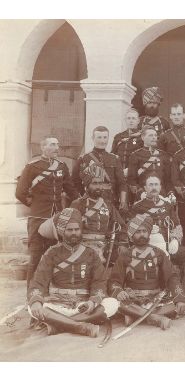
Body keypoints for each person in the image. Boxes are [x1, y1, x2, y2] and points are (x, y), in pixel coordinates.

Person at [28, 208, 118, 337]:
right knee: (32, 308)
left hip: (83, 305)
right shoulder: (51, 253)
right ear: (61, 231)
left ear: (81, 230)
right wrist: (36, 302)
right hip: (57, 304)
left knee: (112, 304)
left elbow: (99, 281)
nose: (74, 233)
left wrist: (92, 302)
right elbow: (38, 281)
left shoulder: (91, 253)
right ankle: (80, 326)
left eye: (77, 229)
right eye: (69, 230)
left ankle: (58, 324)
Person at [15, 136, 79, 286]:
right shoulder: (32, 167)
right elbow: (20, 192)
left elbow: (70, 189)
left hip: (57, 220)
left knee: (56, 256)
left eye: (57, 144)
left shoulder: (62, 166)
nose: (57, 147)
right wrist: (34, 205)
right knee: (36, 257)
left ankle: (51, 291)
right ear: (43, 148)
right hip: (38, 218)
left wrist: (81, 201)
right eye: (52, 145)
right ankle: (32, 294)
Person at [108, 214, 185, 330]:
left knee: (174, 306)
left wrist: (179, 298)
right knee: (114, 304)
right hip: (132, 299)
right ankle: (155, 318)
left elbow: (172, 277)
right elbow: (114, 281)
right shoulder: (124, 256)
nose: (142, 234)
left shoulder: (159, 253)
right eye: (138, 232)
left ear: (149, 233)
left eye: (144, 231)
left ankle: (135, 315)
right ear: (132, 235)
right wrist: (119, 291)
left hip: (155, 299)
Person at [130, 173, 185, 308]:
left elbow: (177, 225)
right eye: (150, 185)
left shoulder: (167, 205)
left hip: (168, 244)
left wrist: (175, 240)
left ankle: (180, 297)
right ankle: (160, 298)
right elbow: (132, 231)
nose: (153, 188)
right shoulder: (138, 207)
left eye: (156, 185)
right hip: (148, 246)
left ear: (160, 187)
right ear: (145, 188)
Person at [70, 171, 127, 265]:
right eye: (94, 183)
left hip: (104, 246)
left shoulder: (108, 205)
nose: (98, 186)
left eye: (100, 183)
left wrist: (122, 243)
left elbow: (121, 225)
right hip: (82, 245)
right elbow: (69, 228)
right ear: (87, 185)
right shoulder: (77, 204)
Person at [72, 126, 128, 210]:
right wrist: (82, 196)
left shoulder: (114, 158)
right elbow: (75, 181)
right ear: (93, 138)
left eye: (105, 137)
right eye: (99, 137)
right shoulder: (84, 158)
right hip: (90, 201)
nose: (103, 141)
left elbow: (122, 182)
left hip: (110, 200)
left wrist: (123, 201)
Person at [127, 127, 172, 197]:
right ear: (143, 137)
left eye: (155, 135)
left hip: (162, 194)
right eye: (150, 135)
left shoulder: (163, 155)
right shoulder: (135, 155)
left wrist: (170, 193)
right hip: (143, 195)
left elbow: (168, 179)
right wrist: (141, 193)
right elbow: (131, 180)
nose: (154, 137)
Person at [111, 108, 143, 173]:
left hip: (134, 173)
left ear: (138, 121)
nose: (131, 121)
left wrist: (130, 170)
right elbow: (112, 155)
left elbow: (144, 158)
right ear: (125, 120)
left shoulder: (142, 137)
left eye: (133, 118)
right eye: (128, 118)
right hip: (119, 172)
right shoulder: (118, 137)